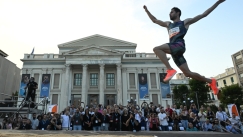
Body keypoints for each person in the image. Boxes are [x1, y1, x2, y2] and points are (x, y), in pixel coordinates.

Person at [143, 0, 226, 95]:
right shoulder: (168, 24)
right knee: (188, 73)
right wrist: (146, 11)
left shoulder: (185, 22)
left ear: (178, 13)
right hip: (174, 52)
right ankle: (211, 81)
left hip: (179, 45)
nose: (170, 13)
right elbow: (155, 20)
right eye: (170, 12)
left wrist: (218, 3)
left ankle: (170, 69)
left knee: (157, 49)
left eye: (172, 12)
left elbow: (204, 14)